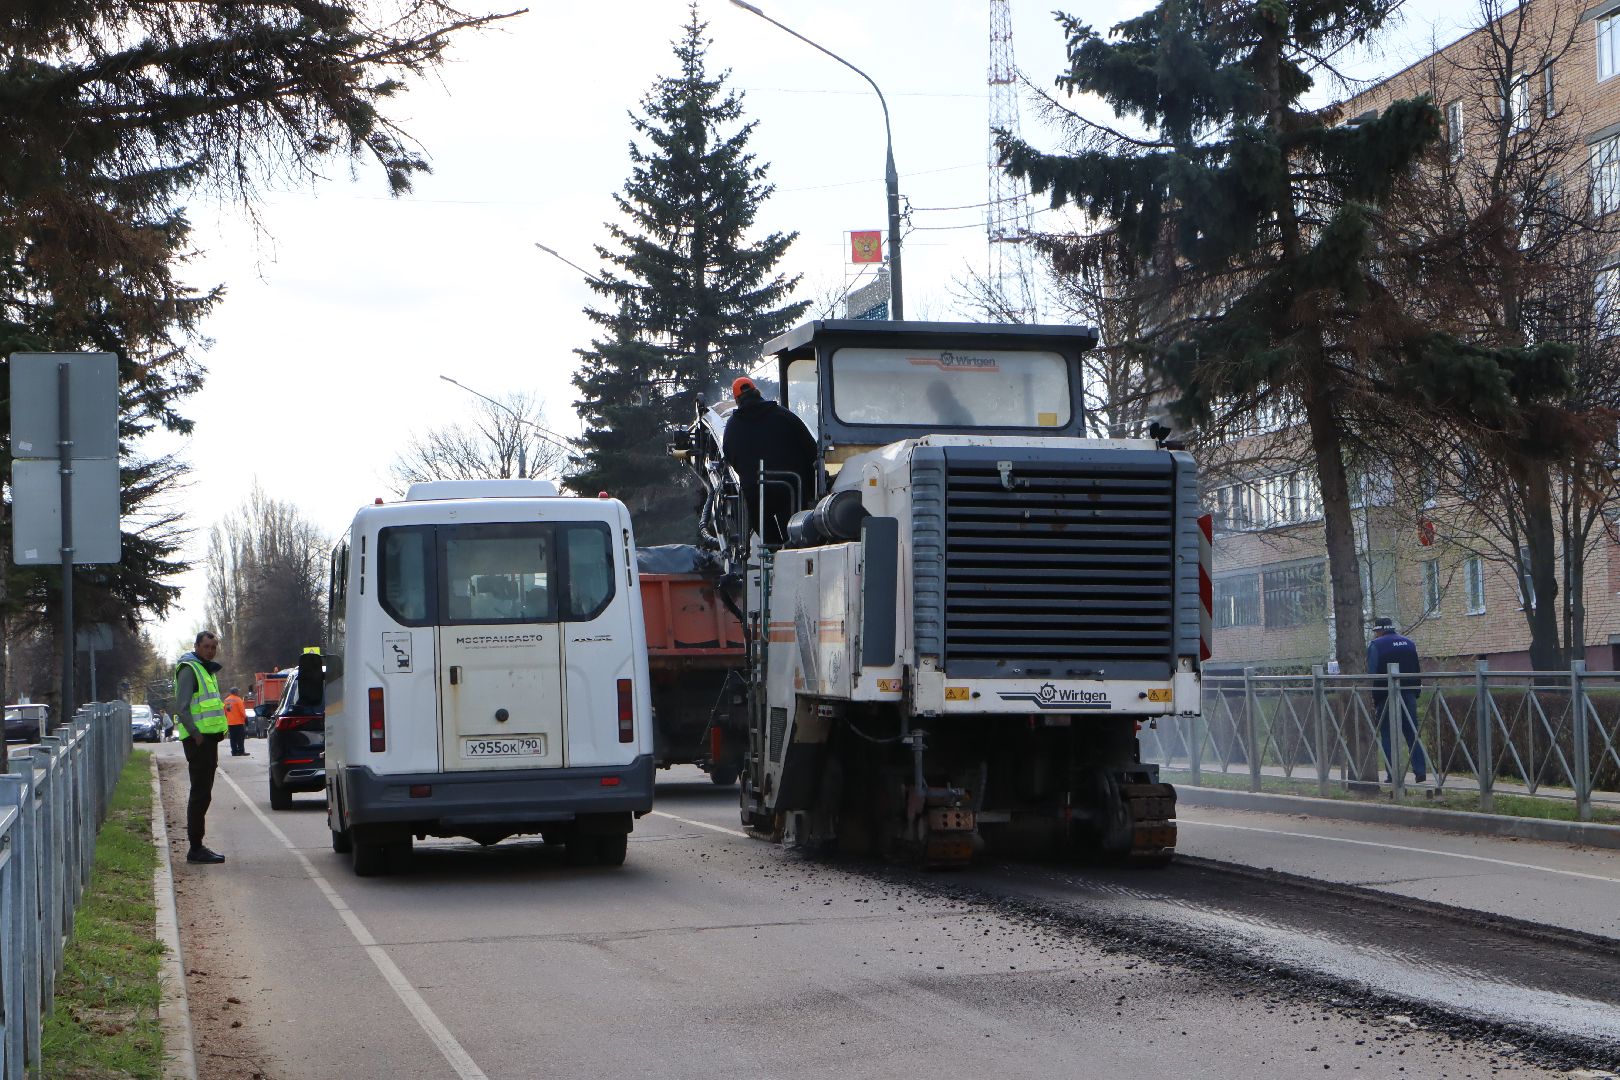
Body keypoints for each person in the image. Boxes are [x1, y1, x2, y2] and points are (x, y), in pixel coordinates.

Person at [722, 376, 818, 545]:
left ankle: (775, 556)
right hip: (790, 487)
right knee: (794, 532)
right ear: (757, 391)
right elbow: (811, 448)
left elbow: (730, 456)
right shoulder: (783, 415)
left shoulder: (732, 426)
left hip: (755, 490)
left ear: (737, 399)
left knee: (766, 532)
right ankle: (791, 549)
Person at [174, 631, 228, 864]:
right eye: (206, 646)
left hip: (208, 740)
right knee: (200, 793)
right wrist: (196, 735)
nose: (210, 650)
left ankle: (197, 846)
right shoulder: (190, 669)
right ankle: (196, 848)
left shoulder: (206, 669)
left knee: (203, 793)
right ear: (196, 646)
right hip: (199, 741)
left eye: (214, 646)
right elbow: (182, 707)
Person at [1367, 616, 1427, 785]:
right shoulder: (1409, 643)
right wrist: (1415, 692)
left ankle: (1393, 775)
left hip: (1385, 695)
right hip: (1408, 694)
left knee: (1387, 735)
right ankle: (1420, 771)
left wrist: (1373, 696)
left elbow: (1371, 674)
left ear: (1379, 630)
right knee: (1412, 733)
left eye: (1376, 632)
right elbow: (1416, 669)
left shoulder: (1376, 645)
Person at [224, 686, 248, 756]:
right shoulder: (238, 700)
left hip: (230, 723)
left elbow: (226, 712)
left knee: (233, 738)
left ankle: (234, 752)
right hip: (239, 722)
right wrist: (245, 718)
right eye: (238, 691)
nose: (239, 692)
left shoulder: (226, 700)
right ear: (235, 692)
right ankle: (241, 751)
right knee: (240, 738)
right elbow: (242, 711)